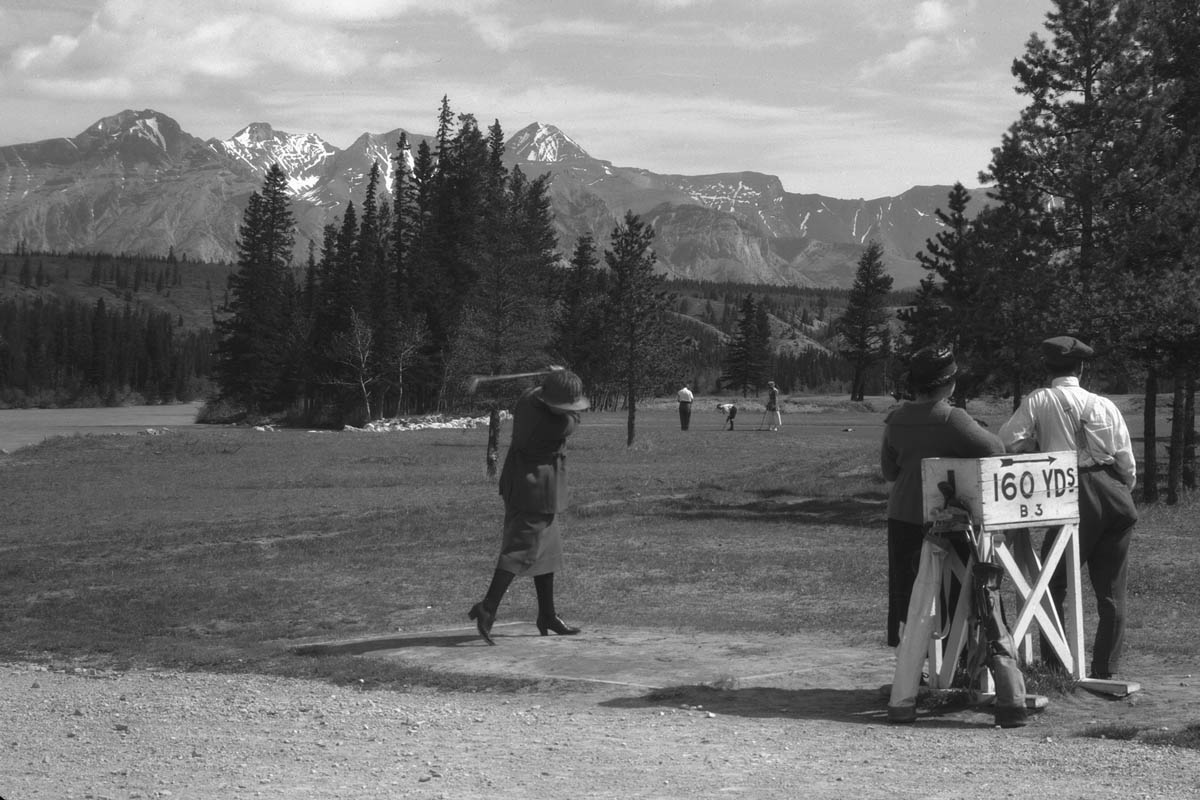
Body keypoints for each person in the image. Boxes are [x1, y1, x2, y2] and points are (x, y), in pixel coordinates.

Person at [998, 336, 1137, 680]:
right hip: (1116, 494)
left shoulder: (1039, 400)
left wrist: (1033, 447)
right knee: (1111, 592)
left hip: (1070, 490)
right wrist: (1122, 487)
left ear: (1048, 368)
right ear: (1082, 367)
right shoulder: (1103, 404)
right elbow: (1126, 461)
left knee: (1050, 584)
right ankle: (1105, 670)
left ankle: (1056, 666)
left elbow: (1007, 439)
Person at [880, 346, 1003, 646]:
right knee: (952, 591)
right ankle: (952, 659)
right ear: (949, 383)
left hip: (903, 515)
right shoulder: (952, 419)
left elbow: (889, 471)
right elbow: (996, 449)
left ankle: (909, 663)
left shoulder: (895, 418)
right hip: (947, 520)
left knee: (907, 591)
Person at [468, 369, 589, 645]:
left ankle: (547, 614)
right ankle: (488, 606)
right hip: (535, 489)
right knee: (520, 548)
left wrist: (554, 382)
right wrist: (562, 380)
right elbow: (575, 418)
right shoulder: (557, 425)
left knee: (546, 550)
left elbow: (539, 393)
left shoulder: (527, 399)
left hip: (523, 481)